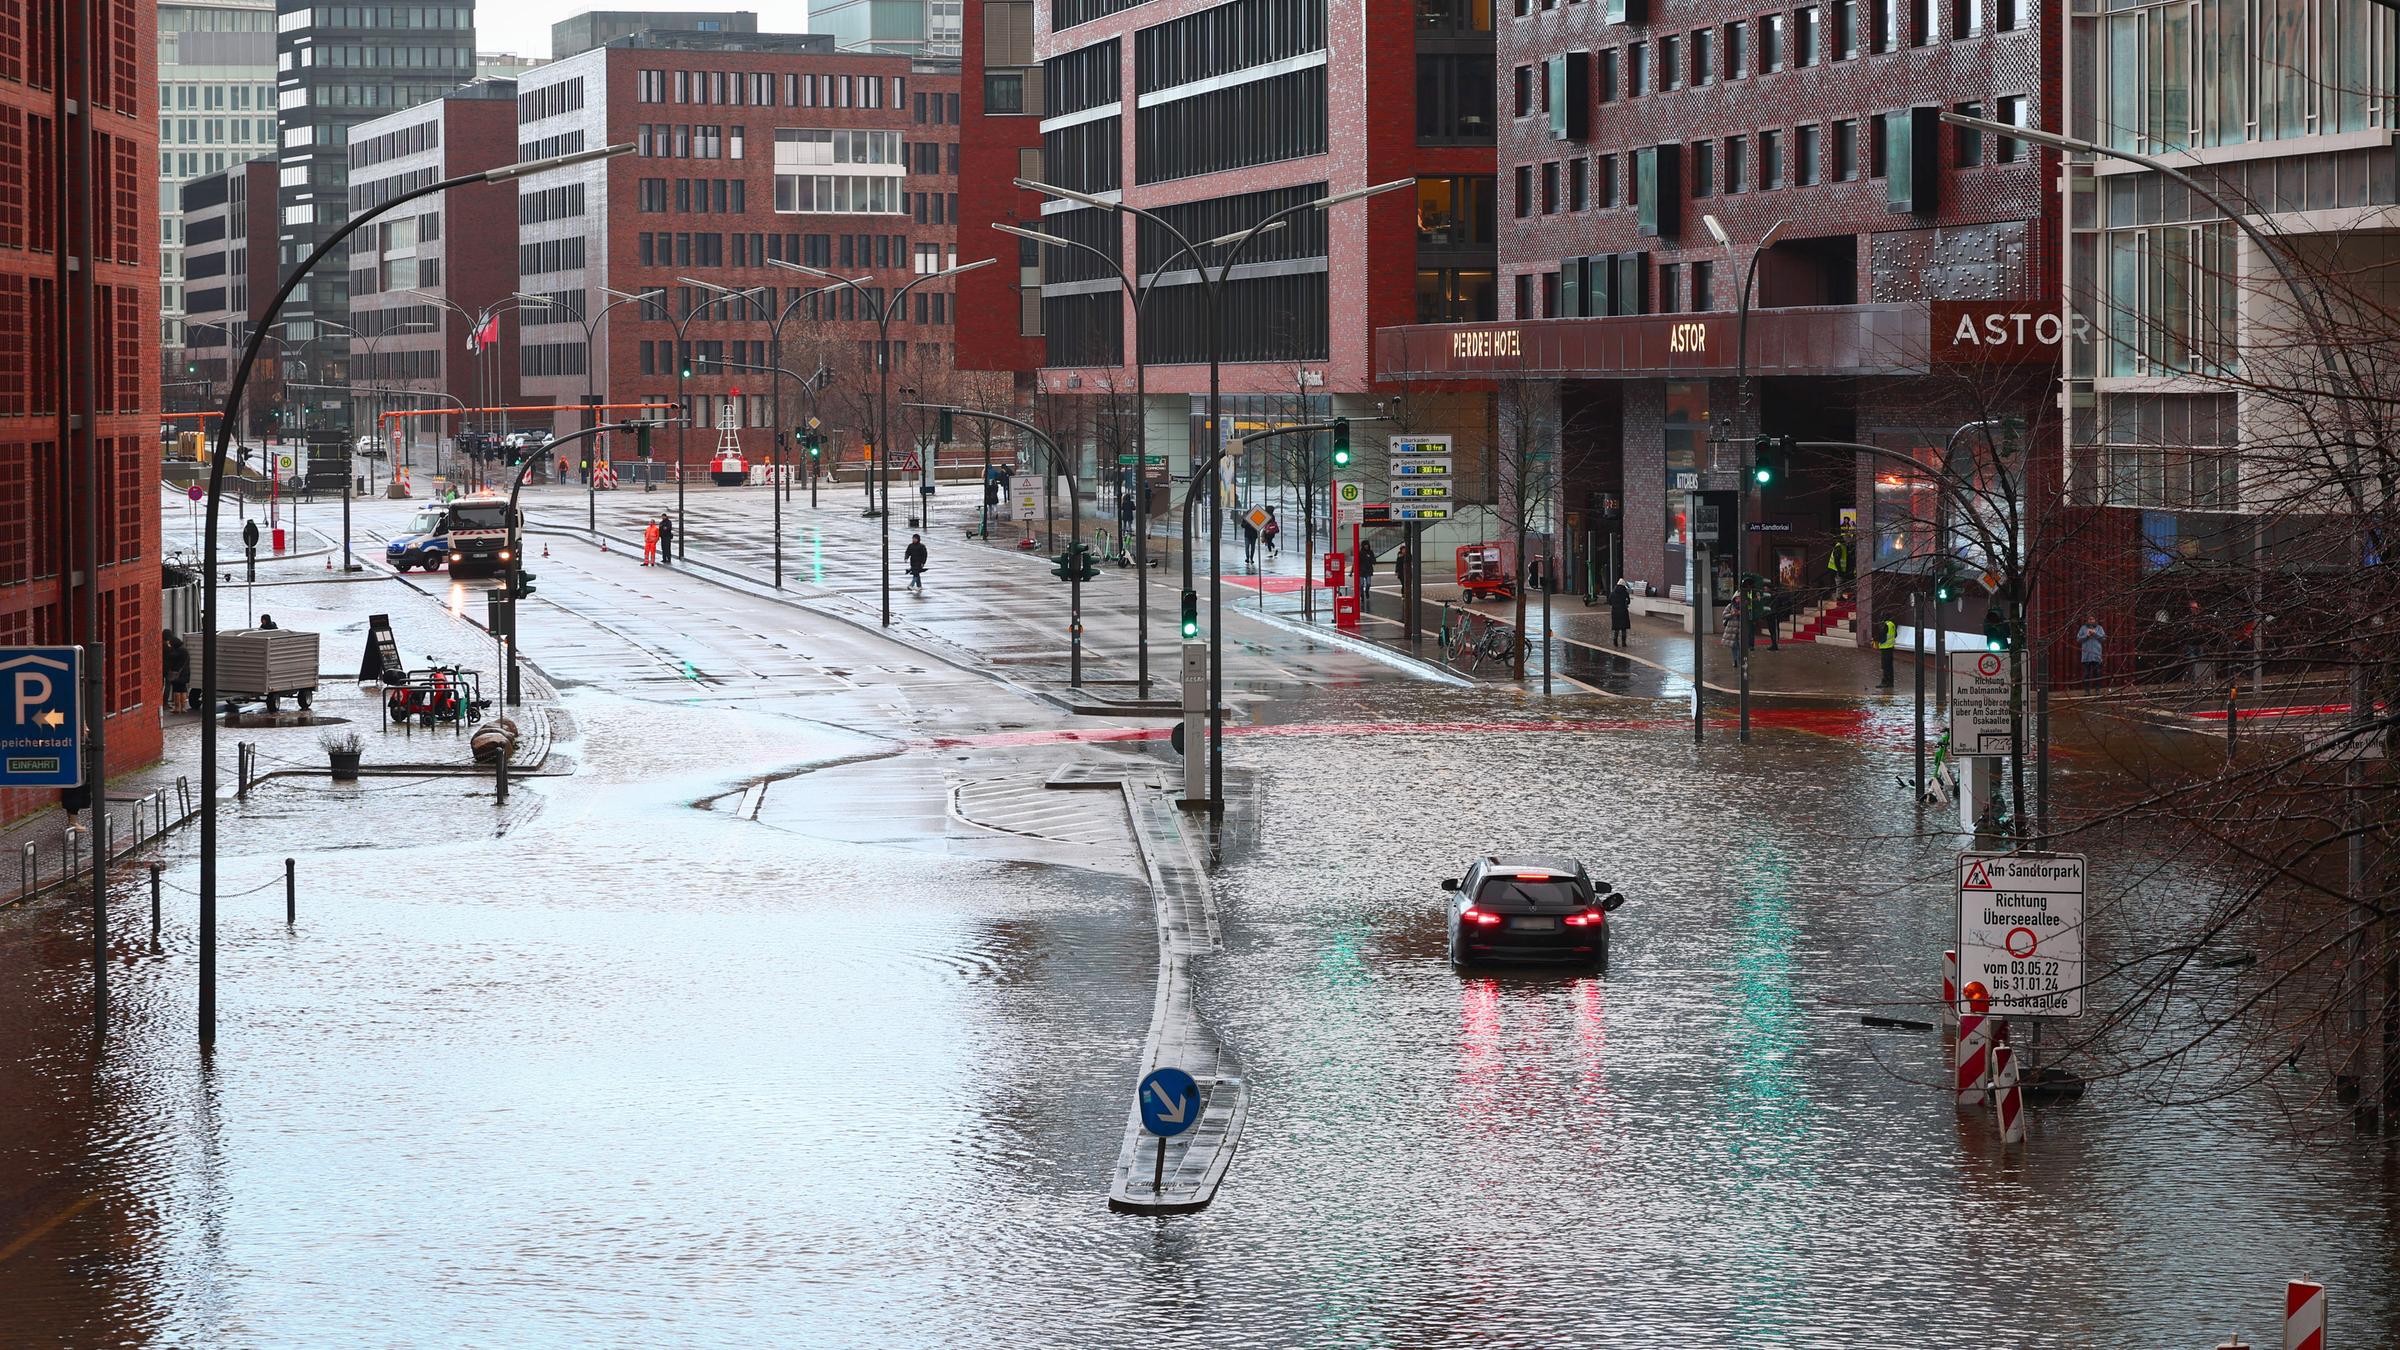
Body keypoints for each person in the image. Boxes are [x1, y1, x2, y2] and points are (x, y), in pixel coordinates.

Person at [162, 630, 191, 713]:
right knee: (183, 689)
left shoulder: (172, 651)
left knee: (175, 689)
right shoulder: (184, 650)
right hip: (184, 673)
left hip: (174, 672)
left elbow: (171, 659)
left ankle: (176, 707)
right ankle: (183, 708)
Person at [2077, 615, 2107, 687]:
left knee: (2097, 673)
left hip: (2096, 655)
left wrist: (2095, 634)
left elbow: (2103, 638)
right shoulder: (2083, 628)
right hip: (2086, 655)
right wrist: (2086, 636)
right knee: (2086, 674)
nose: (2091, 621)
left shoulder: (2099, 628)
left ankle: (2097, 690)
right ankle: (2087, 691)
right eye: (2089, 619)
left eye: (2092, 619)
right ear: (2087, 620)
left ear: (2095, 620)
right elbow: (2078, 639)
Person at [1876, 616, 1898, 689]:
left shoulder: (1885, 625)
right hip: (1890, 647)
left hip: (1885, 648)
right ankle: (1890, 682)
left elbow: (1882, 636)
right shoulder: (1892, 624)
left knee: (1885, 666)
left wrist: (1877, 641)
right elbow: (1895, 635)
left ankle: (1885, 682)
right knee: (1890, 666)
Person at [1356, 539, 1378, 612]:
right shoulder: (1360, 553)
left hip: (1368, 570)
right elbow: (1357, 562)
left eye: (1367, 545)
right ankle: (1362, 595)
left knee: (1368, 583)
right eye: (1365, 545)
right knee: (1361, 584)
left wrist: (1370, 558)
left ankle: (1367, 591)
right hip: (1362, 571)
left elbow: (1374, 561)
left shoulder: (1370, 552)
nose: (1366, 546)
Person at [1609, 581, 1632, 647]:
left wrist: (1614, 605)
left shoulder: (1613, 592)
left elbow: (1609, 601)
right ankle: (1623, 643)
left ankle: (1615, 641)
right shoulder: (1625, 592)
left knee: (1616, 627)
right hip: (1623, 611)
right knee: (1623, 628)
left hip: (1615, 612)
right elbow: (1628, 601)